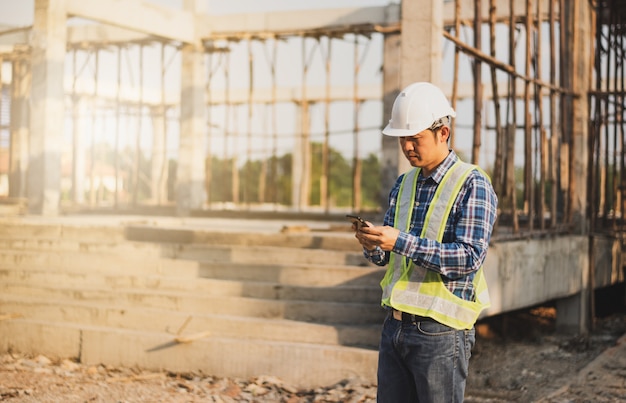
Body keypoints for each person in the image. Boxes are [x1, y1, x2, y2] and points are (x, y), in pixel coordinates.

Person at [352, 82, 498, 403]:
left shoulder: (472, 183)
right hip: (395, 327)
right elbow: (387, 258)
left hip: (441, 332)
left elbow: (469, 257)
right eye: (403, 139)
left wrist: (401, 242)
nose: (407, 147)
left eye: (415, 138)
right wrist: (373, 243)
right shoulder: (404, 184)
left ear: (442, 133)